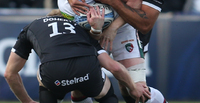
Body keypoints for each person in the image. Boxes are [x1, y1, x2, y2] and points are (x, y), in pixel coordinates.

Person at [58, 0, 167, 103]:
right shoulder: (64, 2)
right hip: (91, 35)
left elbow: (135, 1)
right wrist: (96, 30)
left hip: (122, 27)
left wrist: (113, 27)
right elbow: (83, 35)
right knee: (80, 87)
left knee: (139, 91)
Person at [4, 8, 150, 103]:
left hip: (55, 73)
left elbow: (10, 74)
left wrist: (27, 101)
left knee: (42, 72)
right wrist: (133, 87)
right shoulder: (80, 30)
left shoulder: (32, 27)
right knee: (105, 92)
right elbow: (114, 67)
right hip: (87, 70)